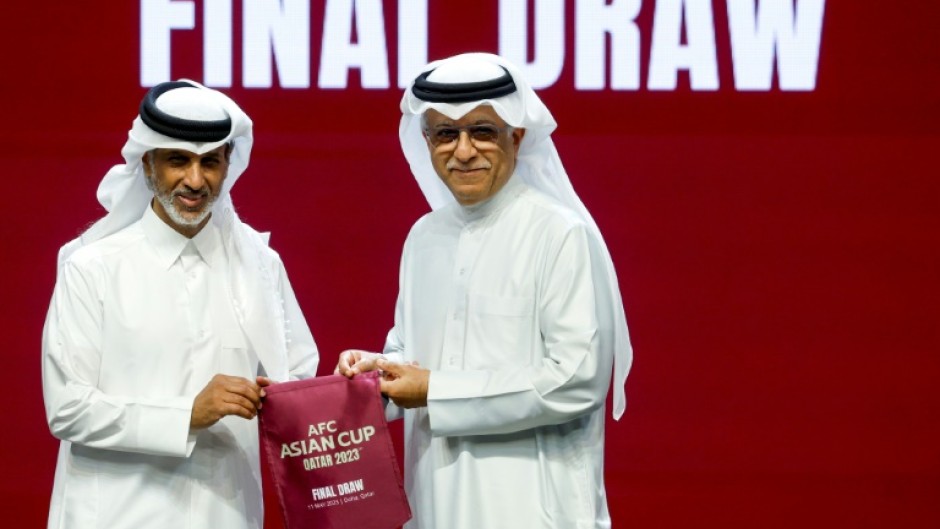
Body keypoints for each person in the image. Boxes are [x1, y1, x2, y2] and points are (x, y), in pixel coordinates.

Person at [335, 53, 633, 528]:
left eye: (482, 132)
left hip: (534, 510)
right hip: (435, 504)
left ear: (516, 137)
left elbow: (576, 378)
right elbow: (415, 353)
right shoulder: (425, 237)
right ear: (426, 141)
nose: (464, 150)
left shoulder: (558, 234)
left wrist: (434, 388)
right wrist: (378, 374)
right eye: (446, 134)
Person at [42, 80, 319, 529]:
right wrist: (187, 415)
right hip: (115, 515)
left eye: (210, 161)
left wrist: (352, 391)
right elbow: (68, 408)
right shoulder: (91, 266)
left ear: (229, 164)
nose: (195, 180)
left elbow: (296, 381)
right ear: (147, 163)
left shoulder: (261, 265)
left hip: (226, 515)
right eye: (178, 161)